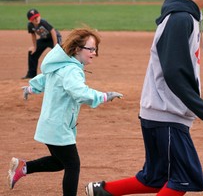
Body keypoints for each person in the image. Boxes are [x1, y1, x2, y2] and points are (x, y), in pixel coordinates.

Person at [85, 0, 203, 196]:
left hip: (159, 110)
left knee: (156, 177)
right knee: (186, 178)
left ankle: (102, 192)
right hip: (167, 112)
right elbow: (174, 73)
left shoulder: (182, 15)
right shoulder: (181, 19)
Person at [7, 28, 123, 196]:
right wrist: (104, 96)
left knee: (60, 161)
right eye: (90, 49)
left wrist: (31, 88)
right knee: (72, 165)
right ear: (77, 49)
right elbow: (80, 92)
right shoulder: (72, 70)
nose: (94, 52)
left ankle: (23, 167)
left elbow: (46, 78)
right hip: (58, 126)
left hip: (51, 123)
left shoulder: (62, 66)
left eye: (95, 49)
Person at [22, 8, 62, 79]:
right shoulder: (30, 25)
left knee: (59, 53)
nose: (36, 19)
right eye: (33, 18)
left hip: (54, 38)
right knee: (32, 52)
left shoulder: (43, 22)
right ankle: (31, 74)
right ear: (30, 20)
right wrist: (35, 47)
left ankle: (61, 73)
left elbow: (53, 31)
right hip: (44, 39)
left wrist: (56, 45)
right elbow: (33, 35)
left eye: (37, 17)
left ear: (39, 16)